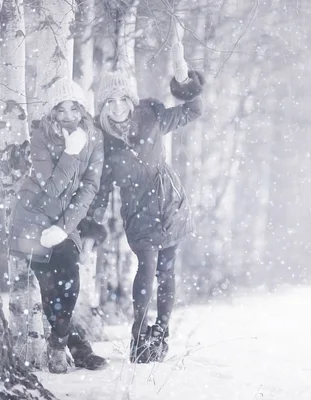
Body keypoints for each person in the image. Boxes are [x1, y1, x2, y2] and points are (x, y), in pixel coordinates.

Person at [87, 39, 204, 363]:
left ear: (130, 99)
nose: (117, 106)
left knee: (167, 271)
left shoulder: (152, 116)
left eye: (122, 98)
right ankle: (138, 339)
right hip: (138, 212)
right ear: (103, 105)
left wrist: (184, 81)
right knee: (147, 267)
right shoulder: (104, 143)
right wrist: (91, 226)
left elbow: (194, 110)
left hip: (169, 204)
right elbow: (100, 189)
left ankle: (161, 334)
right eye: (110, 101)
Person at [8, 78, 108, 373]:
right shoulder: (42, 136)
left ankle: (62, 342)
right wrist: (71, 152)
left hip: (65, 219)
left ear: (82, 110)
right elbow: (51, 189)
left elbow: (90, 186)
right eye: (61, 110)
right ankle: (72, 346)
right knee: (51, 286)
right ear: (52, 113)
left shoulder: (94, 137)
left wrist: (65, 228)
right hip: (32, 218)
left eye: (73, 109)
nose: (68, 117)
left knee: (70, 280)